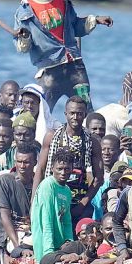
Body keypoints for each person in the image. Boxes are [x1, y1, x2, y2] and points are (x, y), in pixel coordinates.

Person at [13, 0, 113, 110]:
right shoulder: (25, 9)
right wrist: (25, 37)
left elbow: (76, 25)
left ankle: (89, 132)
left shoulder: (62, 0)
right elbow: (23, 47)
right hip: (49, 70)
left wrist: (96, 20)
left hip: (75, 66)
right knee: (42, 111)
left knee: (85, 108)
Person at [35, 96, 103, 224]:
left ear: (85, 115)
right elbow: (41, 170)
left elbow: (99, 178)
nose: (75, 117)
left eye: (79, 114)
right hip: (54, 196)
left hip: (80, 199)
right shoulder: (52, 137)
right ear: (65, 114)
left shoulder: (92, 141)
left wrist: (82, 205)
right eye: (72, 113)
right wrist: (34, 201)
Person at [0, 143, 37, 260]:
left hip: (34, 231)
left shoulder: (39, 182)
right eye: (19, 161)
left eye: (26, 162)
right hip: (14, 233)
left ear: (35, 163)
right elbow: (4, 217)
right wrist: (17, 247)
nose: (22, 166)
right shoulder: (5, 181)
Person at [31, 148, 75, 264]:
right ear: (52, 168)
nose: (63, 172)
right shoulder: (48, 186)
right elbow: (46, 220)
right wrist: (48, 252)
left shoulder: (67, 190)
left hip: (59, 245)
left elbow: (67, 221)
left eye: (67, 169)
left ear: (72, 169)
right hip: (45, 245)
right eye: (59, 169)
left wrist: (68, 241)